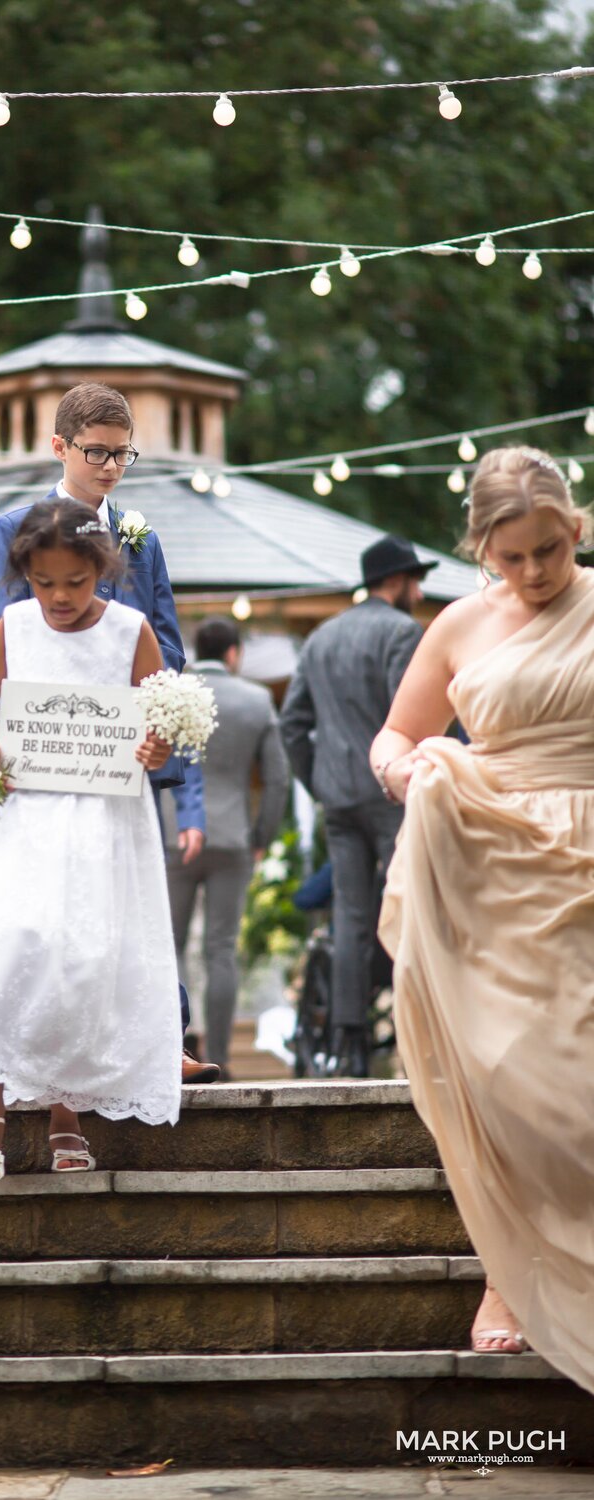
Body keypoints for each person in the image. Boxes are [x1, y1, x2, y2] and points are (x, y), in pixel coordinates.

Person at [371, 446, 594, 1392]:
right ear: (483, 552)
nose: (536, 574)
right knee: (511, 1073)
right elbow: (395, 733)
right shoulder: (459, 623)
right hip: (493, 863)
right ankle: (513, 1269)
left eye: (550, 551)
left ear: (575, 529)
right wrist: (407, 769)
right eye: (515, 559)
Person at [0, 499, 183, 1178]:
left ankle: (65, 1108)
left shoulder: (131, 631)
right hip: (22, 816)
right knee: (12, 948)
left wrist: (155, 747)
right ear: (25, 575)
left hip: (104, 823)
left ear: (101, 572)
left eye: (75, 583)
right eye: (44, 582)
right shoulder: (16, 627)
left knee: (83, 960)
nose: (58, 597)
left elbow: (161, 722)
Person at [0, 380, 219, 1084]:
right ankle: (43, 1049)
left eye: (123, 455)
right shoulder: (12, 529)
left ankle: (160, 1043)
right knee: (50, 913)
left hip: (126, 753)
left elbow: (167, 647)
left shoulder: (143, 539)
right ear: (59, 447)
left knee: (135, 900)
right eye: (96, 453)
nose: (111, 467)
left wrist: (158, 721)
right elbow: (8, 639)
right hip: (48, 746)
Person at [279, 534, 437, 1077]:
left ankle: (348, 1040)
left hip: (339, 797)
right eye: (415, 580)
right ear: (397, 581)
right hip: (392, 790)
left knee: (349, 914)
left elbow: (293, 723)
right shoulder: (401, 632)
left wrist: (319, 783)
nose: (418, 591)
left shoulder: (322, 637)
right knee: (412, 904)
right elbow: (410, 719)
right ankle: (417, 1031)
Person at [164, 617, 290, 1074]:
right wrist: (261, 836)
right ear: (234, 654)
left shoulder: (174, 694)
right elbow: (277, 778)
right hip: (233, 835)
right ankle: (217, 1056)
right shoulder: (256, 700)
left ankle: (174, 1049)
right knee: (220, 948)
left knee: (169, 944)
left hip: (174, 834)